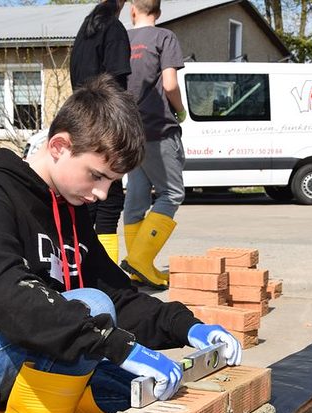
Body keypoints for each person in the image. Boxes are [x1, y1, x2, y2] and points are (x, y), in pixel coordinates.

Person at [0, 75, 242, 413]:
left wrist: (186, 327)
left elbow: (117, 293)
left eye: (112, 182)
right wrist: (113, 343)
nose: (103, 194)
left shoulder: (70, 206)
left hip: (36, 345)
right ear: (59, 146)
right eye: (97, 176)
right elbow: (11, 298)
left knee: (143, 392)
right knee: (93, 310)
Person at [120, 0, 187, 290]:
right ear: (158, 13)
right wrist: (181, 111)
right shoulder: (164, 37)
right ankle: (140, 261)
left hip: (129, 132)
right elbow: (170, 85)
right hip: (158, 129)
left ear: (132, 10)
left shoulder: (119, 40)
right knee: (171, 194)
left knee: (135, 202)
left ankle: (137, 270)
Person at [69, 0, 131, 264]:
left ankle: (78, 266)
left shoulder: (86, 30)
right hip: (104, 123)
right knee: (108, 201)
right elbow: (117, 84)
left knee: (87, 200)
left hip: (82, 121)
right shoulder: (113, 29)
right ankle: (108, 278)